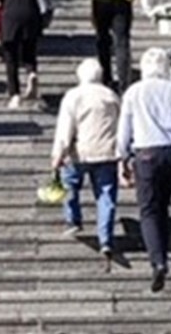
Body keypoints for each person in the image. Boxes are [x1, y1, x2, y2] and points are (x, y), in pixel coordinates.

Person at [118, 48, 171, 292]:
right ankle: (162, 252)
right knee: (163, 205)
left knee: (149, 209)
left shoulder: (134, 92)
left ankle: (158, 261)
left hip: (147, 152)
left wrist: (122, 157)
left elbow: (125, 128)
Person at [51, 58, 122, 257]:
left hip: (79, 152)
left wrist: (58, 152)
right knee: (106, 196)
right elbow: (120, 124)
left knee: (70, 184)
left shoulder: (73, 96)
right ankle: (106, 238)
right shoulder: (111, 96)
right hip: (107, 152)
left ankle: (73, 220)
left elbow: (65, 129)